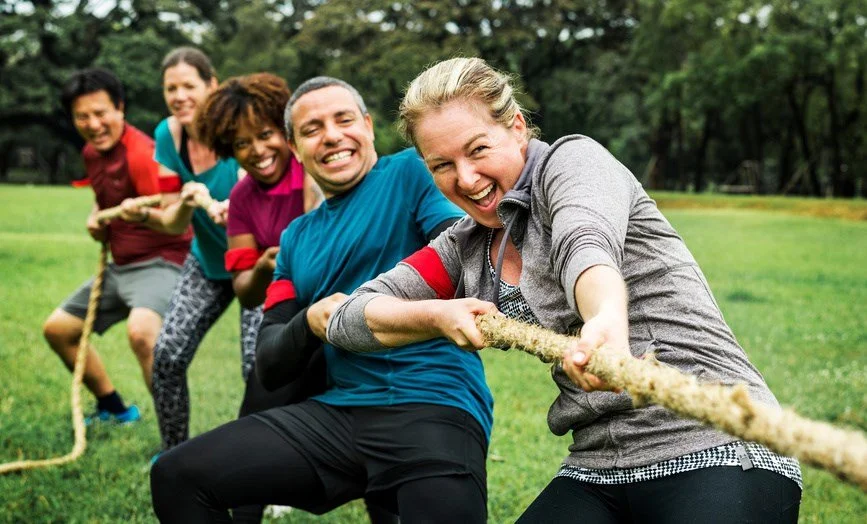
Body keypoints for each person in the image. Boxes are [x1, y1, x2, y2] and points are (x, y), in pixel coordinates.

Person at [327, 57, 803, 523]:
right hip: (598, 466)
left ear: (516, 127)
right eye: (442, 165)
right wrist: (435, 316)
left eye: (477, 150)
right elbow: (352, 318)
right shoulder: (465, 245)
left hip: (716, 440)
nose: (466, 178)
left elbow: (586, 246)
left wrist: (605, 323)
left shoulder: (573, 163)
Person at [150, 76, 493, 523]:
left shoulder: (412, 172)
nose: (331, 135)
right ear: (296, 148)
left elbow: (462, 257)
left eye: (344, 120)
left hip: (433, 406)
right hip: (341, 416)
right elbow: (270, 363)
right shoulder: (296, 240)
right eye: (312, 129)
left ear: (368, 127)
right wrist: (311, 320)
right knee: (176, 476)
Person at [43, 67, 191, 424]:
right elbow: (106, 198)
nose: (93, 124)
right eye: (82, 116)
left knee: (142, 332)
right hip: (120, 266)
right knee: (58, 330)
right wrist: (98, 217)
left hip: (161, 261)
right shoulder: (93, 154)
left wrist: (137, 216)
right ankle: (114, 409)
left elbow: (176, 219)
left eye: (100, 113)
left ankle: (175, 440)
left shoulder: (144, 154)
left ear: (120, 108)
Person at [120, 47, 251, 452]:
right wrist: (182, 203)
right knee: (168, 357)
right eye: (170, 88)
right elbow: (171, 222)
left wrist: (234, 210)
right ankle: (174, 453)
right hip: (209, 262)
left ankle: (270, 474)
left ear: (211, 85)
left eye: (189, 86)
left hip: (258, 265)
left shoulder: (239, 128)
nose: (179, 96)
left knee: (259, 369)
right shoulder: (168, 134)